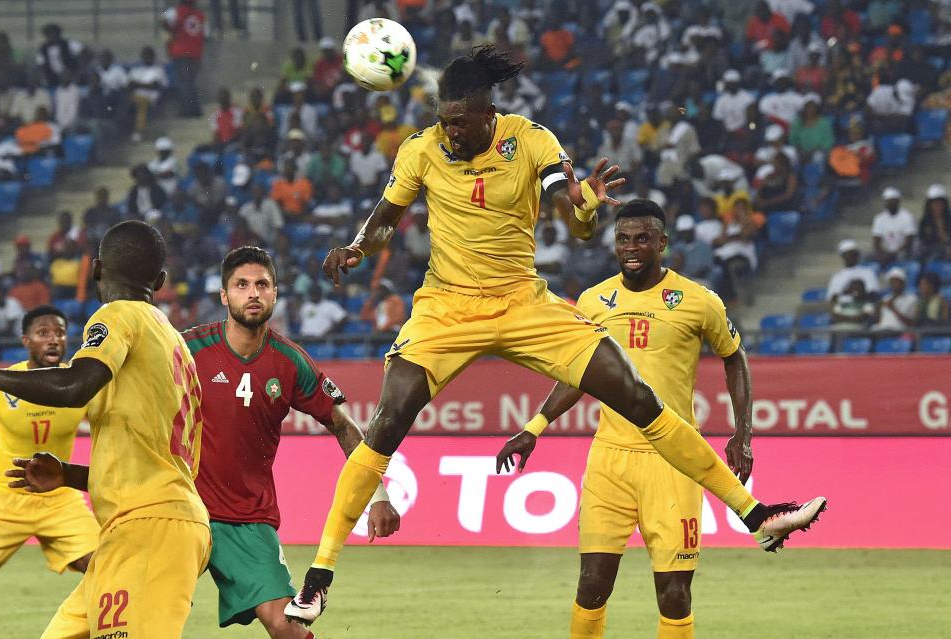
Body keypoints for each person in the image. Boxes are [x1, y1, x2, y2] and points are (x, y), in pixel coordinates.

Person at [285, 46, 826, 627]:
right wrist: (359, 246)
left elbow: (578, 217)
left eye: (460, 122)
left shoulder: (530, 140)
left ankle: (758, 517)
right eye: (444, 120)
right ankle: (319, 578)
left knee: (639, 396)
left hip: (523, 302)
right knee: (389, 419)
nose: (450, 132)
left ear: (488, 113)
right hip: (446, 306)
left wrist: (585, 204)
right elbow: (388, 214)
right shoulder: (420, 150)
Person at [495, 199, 754, 639]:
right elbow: (578, 373)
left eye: (642, 238)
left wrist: (741, 434)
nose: (631, 247)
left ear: (662, 243)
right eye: (623, 238)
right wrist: (533, 427)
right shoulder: (594, 301)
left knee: (674, 592)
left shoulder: (698, 300)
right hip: (609, 461)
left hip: (674, 462)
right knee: (592, 585)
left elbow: (735, 358)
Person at [0, 220, 210, 637]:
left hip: (149, 529)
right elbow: (155, 460)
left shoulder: (118, 315)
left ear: (96, 270)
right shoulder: (173, 342)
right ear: (162, 280)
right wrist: (69, 475)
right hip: (140, 525)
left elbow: (75, 385)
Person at [184, 246, 399, 637]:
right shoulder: (187, 349)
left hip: (246, 520)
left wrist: (378, 494)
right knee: (137, 611)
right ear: (223, 295)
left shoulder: (289, 361)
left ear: (276, 293)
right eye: (242, 285)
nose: (253, 293)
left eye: (262, 285)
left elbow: (343, 424)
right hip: (181, 509)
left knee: (288, 627)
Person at [0, 306, 99, 578]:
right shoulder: (3, 384)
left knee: (104, 566)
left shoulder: (79, 385)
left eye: (60, 333)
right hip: (5, 497)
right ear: (26, 341)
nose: (54, 339)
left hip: (60, 498)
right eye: (43, 333)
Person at [163, 0, 206, 117]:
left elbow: (169, 27)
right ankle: (195, 109)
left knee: (184, 84)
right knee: (190, 83)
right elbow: (205, 34)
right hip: (196, 54)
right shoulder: (200, 14)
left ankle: (189, 110)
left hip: (181, 53)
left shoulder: (178, 12)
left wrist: (164, 24)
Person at [872, 187, 916, 266]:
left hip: (902, 255)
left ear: (898, 201)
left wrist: (893, 255)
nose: (891, 204)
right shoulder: (879, 218)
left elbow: (909, 241)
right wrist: (884, 254)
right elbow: (876, 242)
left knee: (914, 267)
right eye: (888, 201)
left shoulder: (907, 216)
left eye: (893, 201)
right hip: (884, 255)